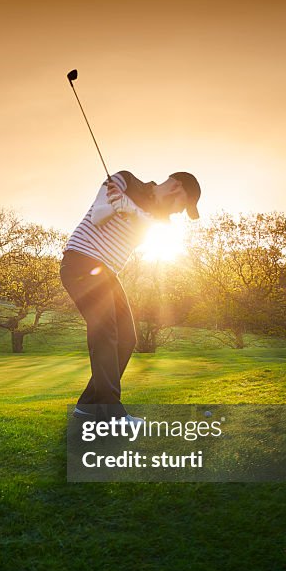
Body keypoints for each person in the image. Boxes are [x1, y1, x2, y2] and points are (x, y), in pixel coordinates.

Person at [60, 170, 201, 421]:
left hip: (107, 274)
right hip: (82, 261)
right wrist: (118, 206)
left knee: (127, 338)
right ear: (177, 188)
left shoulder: (161, 219)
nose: (179, 212)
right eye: (183, 205)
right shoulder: (124, 179)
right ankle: (112, 414)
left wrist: (129, 208)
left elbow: (154, 227)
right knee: (105, 332)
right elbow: (98, 216)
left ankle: (87, 406)